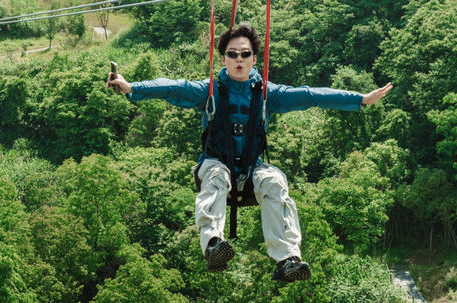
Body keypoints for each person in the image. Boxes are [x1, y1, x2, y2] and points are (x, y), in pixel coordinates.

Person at [107, 23, 392, 277]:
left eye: (245, 54)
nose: (239, 60)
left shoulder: (269, 94)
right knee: (217, 176)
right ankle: (213, 244)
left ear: (255, 59)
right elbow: (172, 88)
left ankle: (287, 258)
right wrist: (131, 87)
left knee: (275, 181)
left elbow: (311, 95)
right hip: (215, 163)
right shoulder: (210, 90)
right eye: (232, 54)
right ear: (223, 59)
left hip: (251, 169)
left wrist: (360, 100)